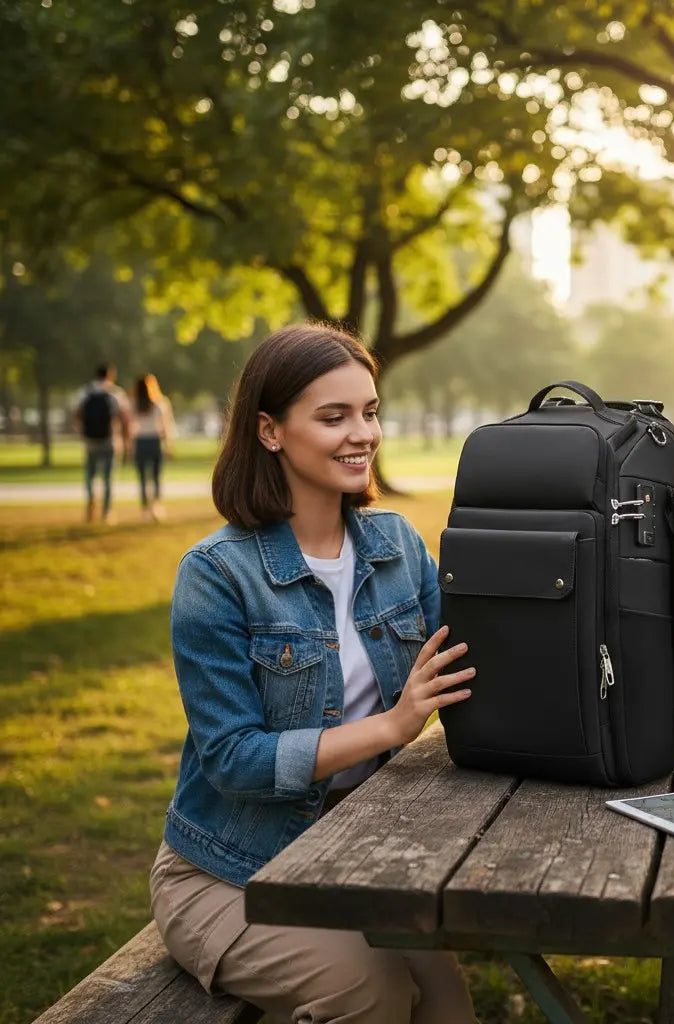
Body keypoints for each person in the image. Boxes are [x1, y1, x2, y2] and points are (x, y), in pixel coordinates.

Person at [149, 322, 478, 1024]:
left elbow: (472, 662)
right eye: (334, 417)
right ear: (270, 432)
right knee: (373, 993)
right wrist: (391, 726)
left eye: (370, 412)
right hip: (227, 870)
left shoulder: (396, 546)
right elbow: (234, 760)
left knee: (447, 1004)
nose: (362, 433)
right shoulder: (217, 575)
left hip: (355, 853)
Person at [74, 363, 131, 523]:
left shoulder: (85, 392)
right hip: (110, 440)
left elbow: (77, 414)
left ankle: (90, 505)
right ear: (110, 375)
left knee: (90, 476)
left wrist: (84, 430)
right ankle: (106, 511)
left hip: (90, 440)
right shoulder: (115, 393)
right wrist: (126, 440)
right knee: (108, 478)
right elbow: (124, 418)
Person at [131, 373, 175, 520]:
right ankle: (157, 506)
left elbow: (131, 426)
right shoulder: (159, 403)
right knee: (156, 476)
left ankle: (145, 509)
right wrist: (168, 444)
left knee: (143, 478)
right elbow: (165, 426)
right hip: (154, 441)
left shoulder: (134, 404)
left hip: (140, 441)